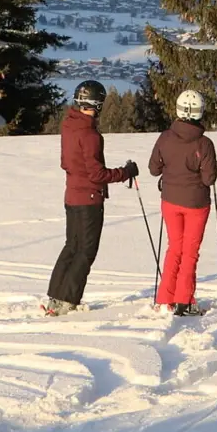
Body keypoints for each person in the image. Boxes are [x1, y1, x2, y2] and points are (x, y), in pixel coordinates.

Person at [44, 80, 139, 316]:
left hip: (72, 195)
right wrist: (125, 172)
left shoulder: (69, 125)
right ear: (97, 104)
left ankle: (56, 297)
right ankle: (68, 300)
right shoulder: (90, 134)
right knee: (86, 251)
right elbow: (97, 174)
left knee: (71, 246)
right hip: (89, 199)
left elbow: (66, 162)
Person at [149, 89, 217, 316]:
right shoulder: (204, 143)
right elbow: (209, 178)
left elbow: (153, 169)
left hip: (170, 201)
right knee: (189, 253)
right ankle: (184, 301)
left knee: (174, 249)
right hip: (196, 203)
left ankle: (165, 298)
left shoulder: (165, 137)